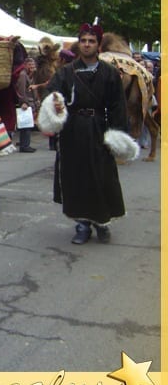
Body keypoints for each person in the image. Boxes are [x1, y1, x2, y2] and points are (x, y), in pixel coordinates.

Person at [40, 23, 128, 245]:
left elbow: (118, 106)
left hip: (99, 128)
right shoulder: (66, 72)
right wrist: (56, 103)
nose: (87, 44)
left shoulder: (109, 73)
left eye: (91, 41)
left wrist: (118, 136)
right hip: (73, 130)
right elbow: (51, 93)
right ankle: (82, 226)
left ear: (98, 45)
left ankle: (102, 223)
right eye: (84, 40)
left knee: (101, 176)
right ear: (79, 43)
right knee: (76, 177)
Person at [13, 57, 37, 153]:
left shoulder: (31, 75)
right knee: (25, 126)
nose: (32, 67)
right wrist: (23, 102)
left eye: (33, 65)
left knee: (28, 125)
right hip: (26, 103)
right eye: (30, 65)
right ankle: (24, 146)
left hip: (31, 102)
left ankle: (26, 144)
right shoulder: (23, 75)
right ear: (25, 65)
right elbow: (21, 89)